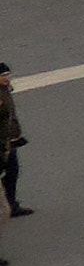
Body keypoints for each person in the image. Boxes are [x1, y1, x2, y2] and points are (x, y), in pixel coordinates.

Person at [0, 63, 28, 218]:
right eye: (3, 76)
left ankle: (11, 204)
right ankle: (9, 205)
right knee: (9, 172)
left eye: (7, 76)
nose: (7, 78)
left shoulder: (5, 90)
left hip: (9, 140)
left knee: (12, 172)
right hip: (3, 142)